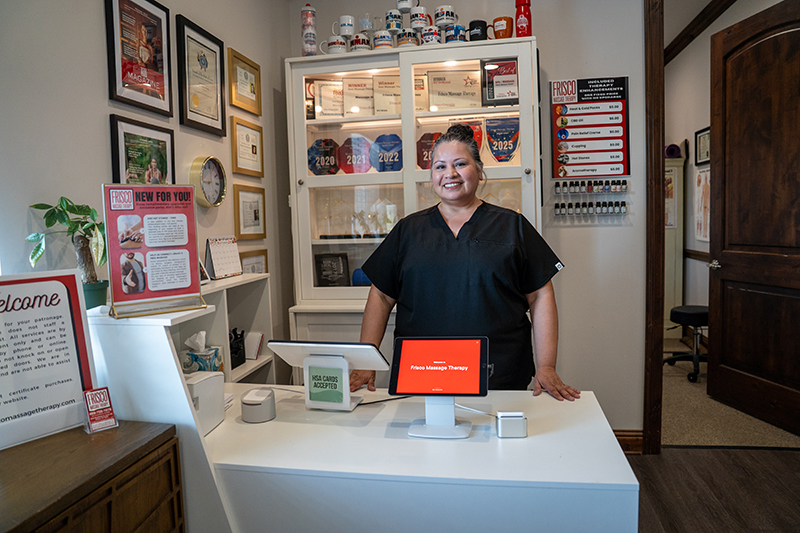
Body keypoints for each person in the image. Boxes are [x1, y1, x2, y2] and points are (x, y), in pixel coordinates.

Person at [350, 124, 580, 400]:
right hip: (422, 371)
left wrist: (546, 366)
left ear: (479, 171)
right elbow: (381, 296)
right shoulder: (408, 230)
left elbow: (540, 295)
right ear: (431, 175)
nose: (450, 174)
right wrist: (367, 361)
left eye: (460, 164)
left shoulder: (511, 226)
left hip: (498, 373)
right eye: (440, 166)